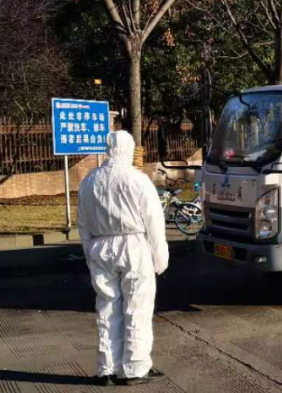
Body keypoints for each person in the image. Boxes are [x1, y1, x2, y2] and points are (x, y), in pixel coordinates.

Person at [77, 131, 169, 386]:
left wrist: (89, 253)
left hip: (100, 245)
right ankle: (135, 367)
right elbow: (154, 221)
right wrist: (159, 257)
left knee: (106, 307)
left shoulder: (89, 180)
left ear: (107, 149)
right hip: (133, 245)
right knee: (137, 307)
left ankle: (106, 368)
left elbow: (82, 222)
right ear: (129, 149)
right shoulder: (137, 179)